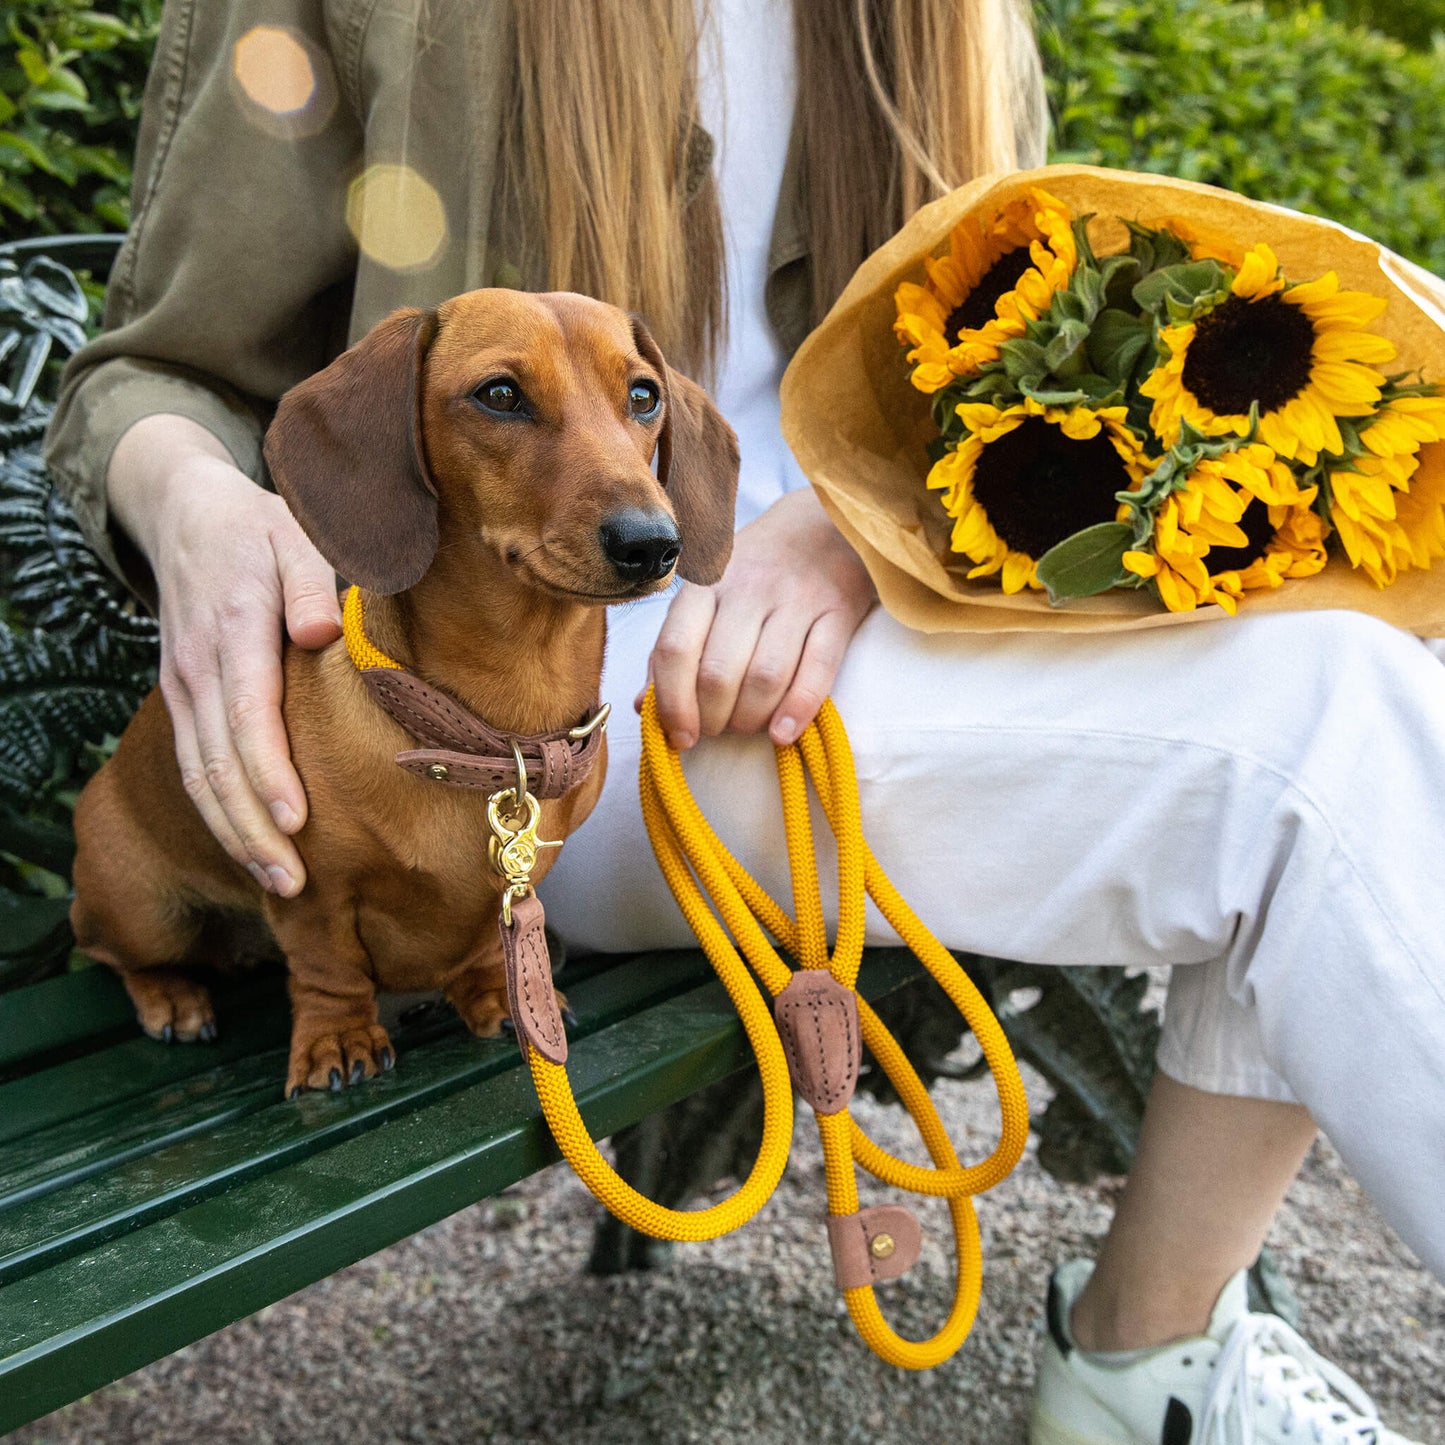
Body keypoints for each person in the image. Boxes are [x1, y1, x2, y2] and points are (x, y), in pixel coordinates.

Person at [45, 3, 1442, 1441]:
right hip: (542, 712)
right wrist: (192, 504)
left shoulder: (949, 26)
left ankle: (1148, 1355)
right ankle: (1138, 1371)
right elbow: (163, 372)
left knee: (1351, 644)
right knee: (1313, 739)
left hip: (890, 607)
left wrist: (844, 531)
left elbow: (977, 402)